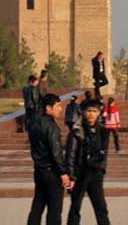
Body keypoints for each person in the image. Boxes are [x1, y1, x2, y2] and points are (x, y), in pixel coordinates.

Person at [27, 93, 72, 225]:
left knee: (37, 207)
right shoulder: (52, 127)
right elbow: (56, 152)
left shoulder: (34, 124)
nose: (60, 109)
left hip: (39, 171)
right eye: (57, 106)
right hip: (52, 173)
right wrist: (63, 173)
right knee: (54, 210)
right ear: (48, 108)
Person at [66, 98, 111, 225]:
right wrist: (71, 176)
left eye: (94, 111)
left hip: (95, 173)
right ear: (84, 112)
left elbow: (104, 152)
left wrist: (101, 169)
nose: (91, 114)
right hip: (80, 173)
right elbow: (70, 155)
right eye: (88, 111)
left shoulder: (103, 131)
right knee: (75, 206)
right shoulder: (77, 130)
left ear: (99, 113)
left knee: (101, 207)